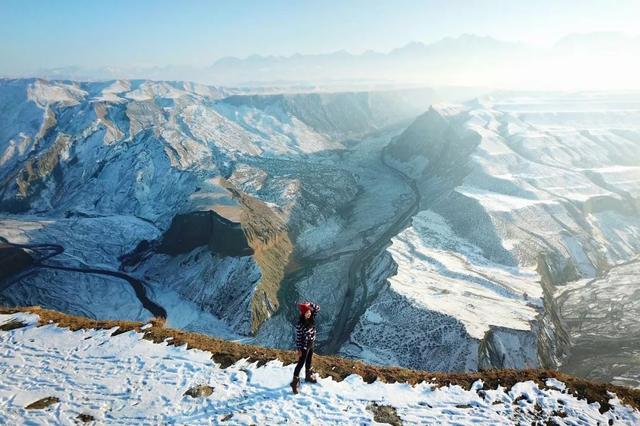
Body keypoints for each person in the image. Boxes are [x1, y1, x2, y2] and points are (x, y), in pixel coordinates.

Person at [290, 301, 320, 394]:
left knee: (309, 360)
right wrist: (299, 350)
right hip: (304, 346)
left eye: (309, 312)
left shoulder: (311, 317)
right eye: (307, 313)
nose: (309, 314)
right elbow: (298, 338)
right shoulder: (300, 324)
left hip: (311, 343)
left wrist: (309, 305)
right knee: (300, 363)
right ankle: (295, 382)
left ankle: (308, 376)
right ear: (303, 314)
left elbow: (317, 308)